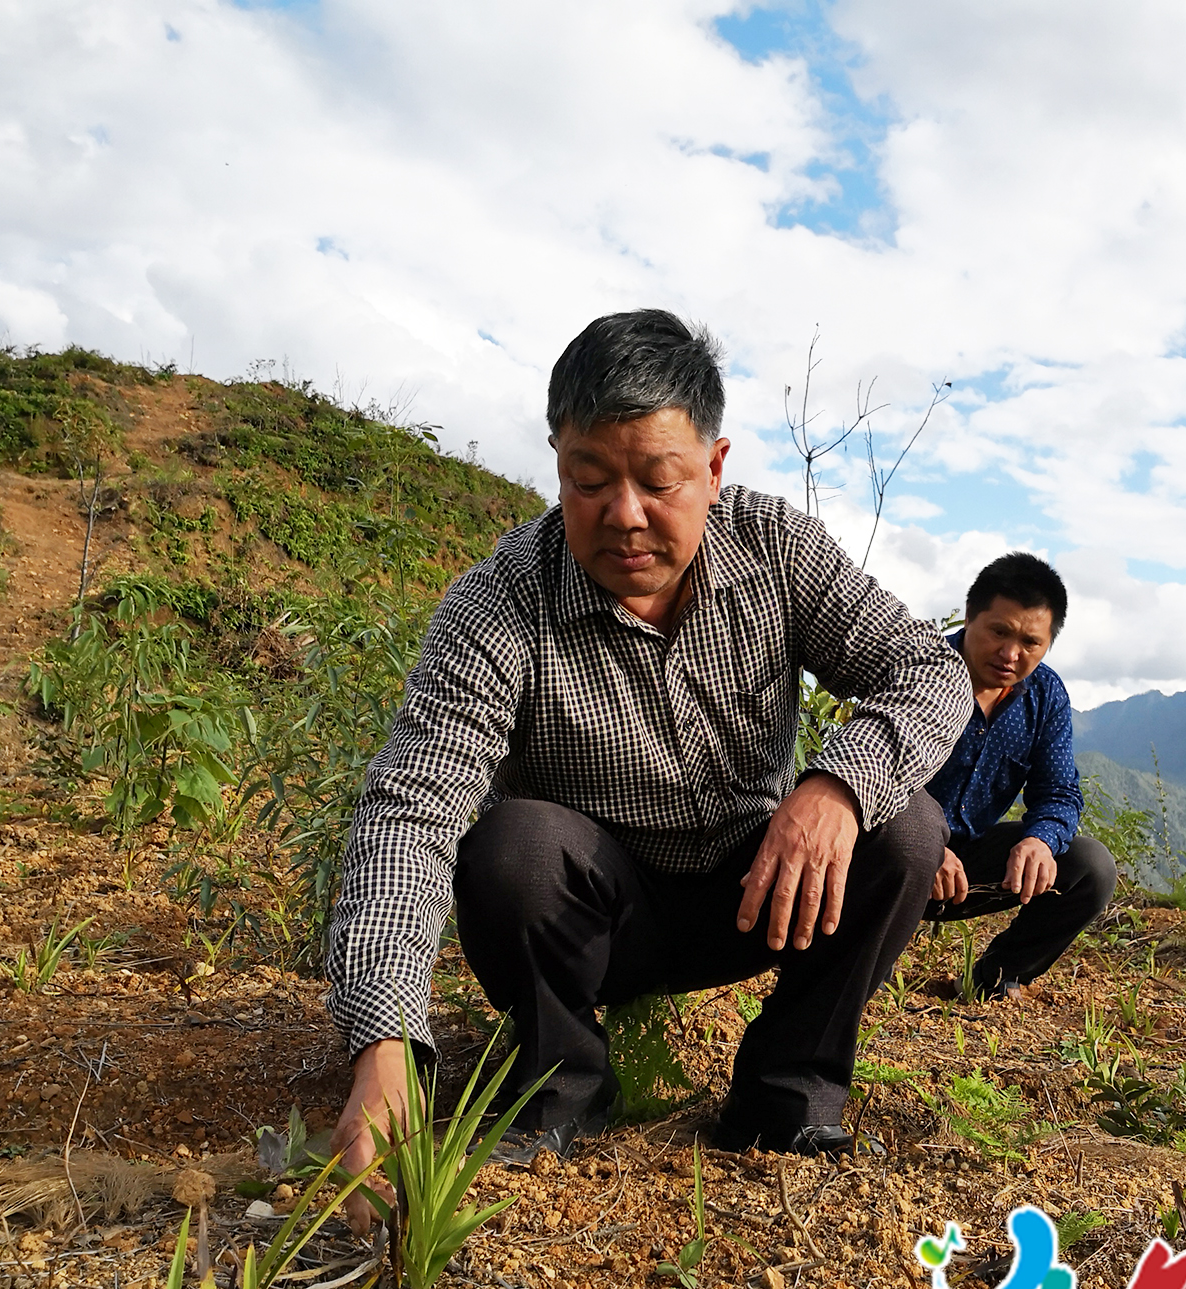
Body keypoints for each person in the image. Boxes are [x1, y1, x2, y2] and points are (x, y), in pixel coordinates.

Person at [322, 309, 969, 1214]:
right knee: (513, 846)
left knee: (905, 828)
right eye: (587, 482)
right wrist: (384, 1044)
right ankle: (562, 1086)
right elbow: (409, 814)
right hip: (597, 923)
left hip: (766, 896)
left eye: (658, 481)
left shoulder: (775, 550)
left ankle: (789, 1090)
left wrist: (833, 788)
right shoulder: (502, 601)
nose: (624, 517)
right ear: (556, 464)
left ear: (714, 466)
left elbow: (925, 668)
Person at [924, 553, 1117, 1000]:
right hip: (892, 853)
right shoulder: (922, 669)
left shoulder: (1045, 695)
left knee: (1090, 866)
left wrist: (1041, 841)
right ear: (970, 616)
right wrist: (925, 845)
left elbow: (1059, 791)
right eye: (998, 632)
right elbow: (873, 775)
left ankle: (989, 980)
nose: (1011, 655)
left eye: (1030, 642)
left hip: (967, 867)